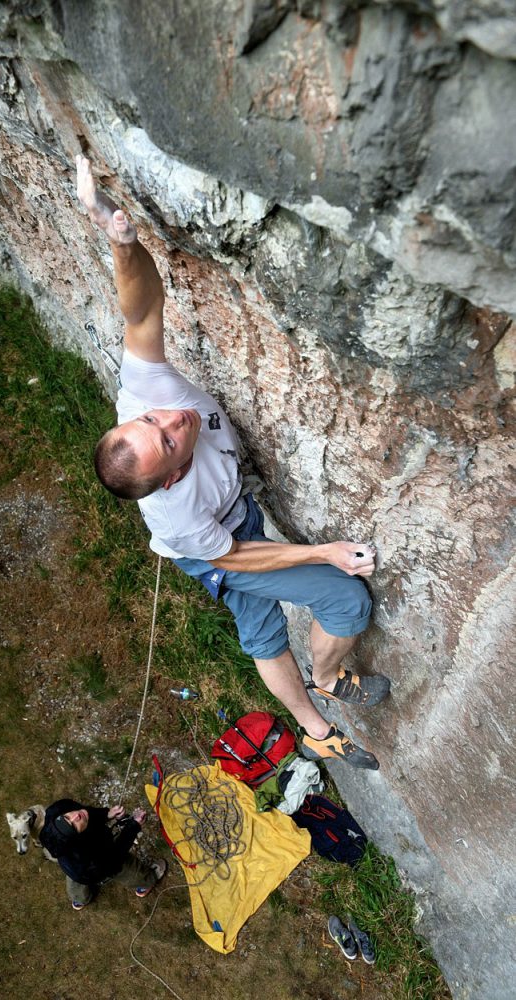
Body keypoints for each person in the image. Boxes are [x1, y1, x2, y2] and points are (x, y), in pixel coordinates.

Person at [77, 155, 390, 770]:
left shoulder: (146, 397)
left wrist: (120, 240)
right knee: (344, 601)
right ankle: (323, 689)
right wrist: (323, 552)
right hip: (214, 546)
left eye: (152, 420)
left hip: (231, 518)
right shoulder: (176, 512)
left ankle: (314, 718)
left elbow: (140, 311)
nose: (173, 419)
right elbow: (232, 554)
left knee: (260, 628)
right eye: (167, 438)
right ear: (169, 477)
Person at [39, 797, 167, 910]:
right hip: (97, 866)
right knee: (121, 868)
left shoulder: (57, 812)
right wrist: (134, 826)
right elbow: (115, 857)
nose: (76, 816)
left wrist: (107, 814)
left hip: (73, 867)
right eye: (74, 826)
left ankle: (79, 900)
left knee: (75, 879)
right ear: (77, 838)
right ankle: (145, 882)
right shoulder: (87, 857)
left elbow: (85, 813)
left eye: (67, 817)